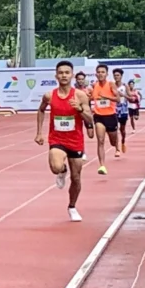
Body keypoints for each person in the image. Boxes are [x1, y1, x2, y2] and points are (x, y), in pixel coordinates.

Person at [35, 61, 93, 222]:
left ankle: (72, 206)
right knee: (55, 167)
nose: (64, 75)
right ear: (56, 76)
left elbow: (90, 118)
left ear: (72, 75)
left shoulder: (80, 96)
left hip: (75, 141)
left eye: (67, 72)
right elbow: (40, 110)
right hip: (57, 139)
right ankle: (61, 171)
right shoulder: (49, 95)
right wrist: (39, 132)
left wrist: (80, 109)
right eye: (61, 73)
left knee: (76, 179)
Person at [89, 64, 120, 175]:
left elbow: (118, 99)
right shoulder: (94, 85)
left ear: (106, 74)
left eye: (103, 72)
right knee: (100, 141)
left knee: (112, 141)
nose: (100, 74)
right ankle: (102, 165)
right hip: (99, 116)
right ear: (96, 74)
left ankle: (116, 145)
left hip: (111, 116)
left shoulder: (111, 84)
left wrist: (106, 97)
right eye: (99, 72)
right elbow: (91, 98)